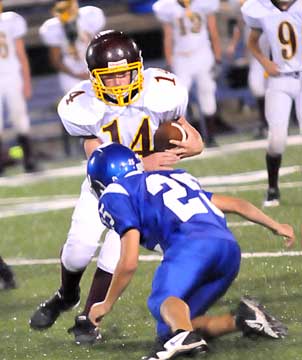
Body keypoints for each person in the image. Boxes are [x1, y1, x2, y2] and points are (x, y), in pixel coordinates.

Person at [29, 30, 204, 345]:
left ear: (137, 68)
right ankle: (65, 294)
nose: (120, 82)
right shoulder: (82, 105)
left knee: (114, 254)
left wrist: (187, 146)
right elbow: (96, 155)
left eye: (125, 74)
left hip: (144, 189)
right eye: (111, 77)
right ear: (95, 78)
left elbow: (192, 138)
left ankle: (88, 317)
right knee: (78, 250)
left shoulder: (161, 93)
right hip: (104, 181)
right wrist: (141, 162)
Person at [86, 142, 294, 360]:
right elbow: (235, 204)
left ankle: (185, 337)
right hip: (228, 250)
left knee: (161, 301)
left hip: (190, 247)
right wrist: (276, 226)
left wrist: (105, 304)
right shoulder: (175, 177)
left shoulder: (116, 193)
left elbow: (129, 262)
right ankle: (243, 319)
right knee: (169, 329)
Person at [241, 0, 302, 207]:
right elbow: (252, 42)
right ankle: (272, 188)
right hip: (279, 79)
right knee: (276, 139)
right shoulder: (260, 9)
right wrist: (265, 62)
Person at [153, 0, 228, 147]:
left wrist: (218, 57)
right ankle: (181, 137)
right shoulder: (168, 7)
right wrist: (169, 61)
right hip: (181, 58)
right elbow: (167, 37)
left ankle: (211, 136)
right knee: (178, 98)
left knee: (207, 93)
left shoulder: (203, 4)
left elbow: (213, 30)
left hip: (202, 54)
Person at [39, 0, 106, 156]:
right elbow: (55, 60)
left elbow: (101, 44)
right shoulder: (53, 27)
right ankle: (83, 150)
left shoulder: (89, 16)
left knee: (102, 107)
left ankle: (106, 144)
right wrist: (76, 74)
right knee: (77, 111)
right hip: (71, 75)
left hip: (94, 70)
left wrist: (95, 68)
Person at [0, 1, 38, 175]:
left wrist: (26, 81)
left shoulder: (9, 20)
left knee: (20, 119)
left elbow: (21, 54)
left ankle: (29, 159)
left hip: (12, 76)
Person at [227, 0, 269, 139]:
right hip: (256, 54)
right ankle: (265, 124)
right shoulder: (246, 6)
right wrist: (233, 43)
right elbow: (240, 24)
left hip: (274, 52)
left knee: (278, 89)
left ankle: (277, 123)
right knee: (257, 87)